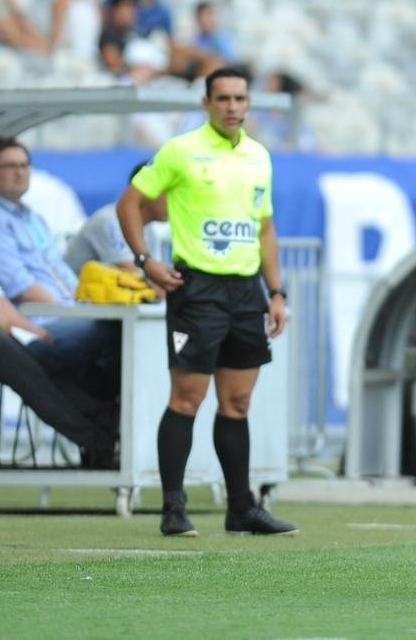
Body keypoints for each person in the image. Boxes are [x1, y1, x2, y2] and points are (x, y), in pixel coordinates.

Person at [117, 66, 297, 537]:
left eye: (241, 98)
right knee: (187, 398)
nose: (233, 107)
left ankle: (241, 509)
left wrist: (276, 293)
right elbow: (129, 204)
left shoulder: (259, 156)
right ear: (207, 104)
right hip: (197, 291)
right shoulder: (181, 150)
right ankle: (173, 508)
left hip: (246, 293)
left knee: (237, 402)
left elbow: (265, 229)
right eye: (224, 99)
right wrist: (145, 261)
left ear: (248, 103)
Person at [0, 136, 116, 468]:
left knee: (40, 351)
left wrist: (22, 325)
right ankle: (100, 439)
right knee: (27, 368)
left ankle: (107, 423)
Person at [64, 162, 168, 277]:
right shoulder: (109, 222)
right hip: (68, 293)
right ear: (145, 193)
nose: (178, 203)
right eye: (171, 195)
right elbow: (135, 277)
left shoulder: (150, 230)